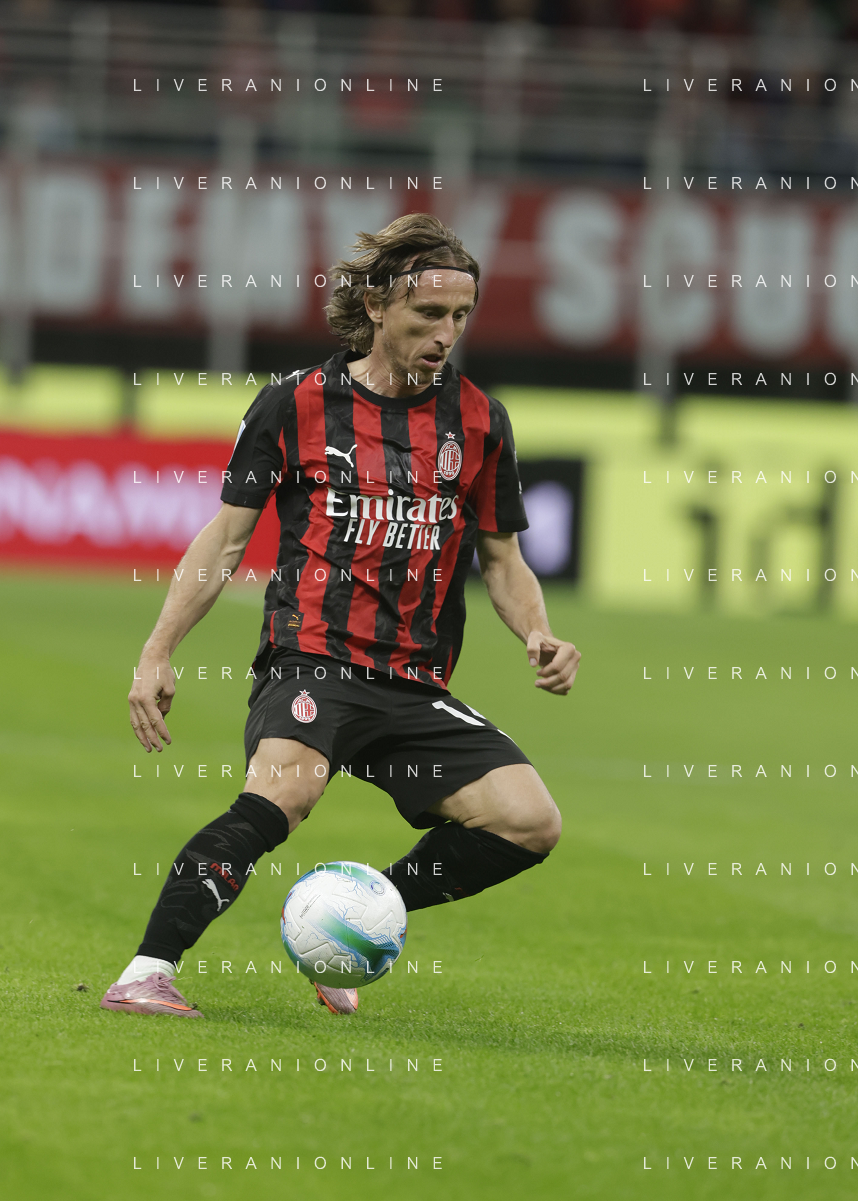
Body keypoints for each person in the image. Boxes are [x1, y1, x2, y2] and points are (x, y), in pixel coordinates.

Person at [101, 212, 580, 1019]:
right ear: (377, 304)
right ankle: (146, 971)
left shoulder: (478, 419)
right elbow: (225, 539)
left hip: (414, 680)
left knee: (529, 821)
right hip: (314, 657)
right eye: (429, 313)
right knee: (279, 798)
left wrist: (537, 631)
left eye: (460, 316)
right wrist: (158, 649)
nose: (446, 334)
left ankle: (343, 914)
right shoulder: (296, 402)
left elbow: (502, 560)